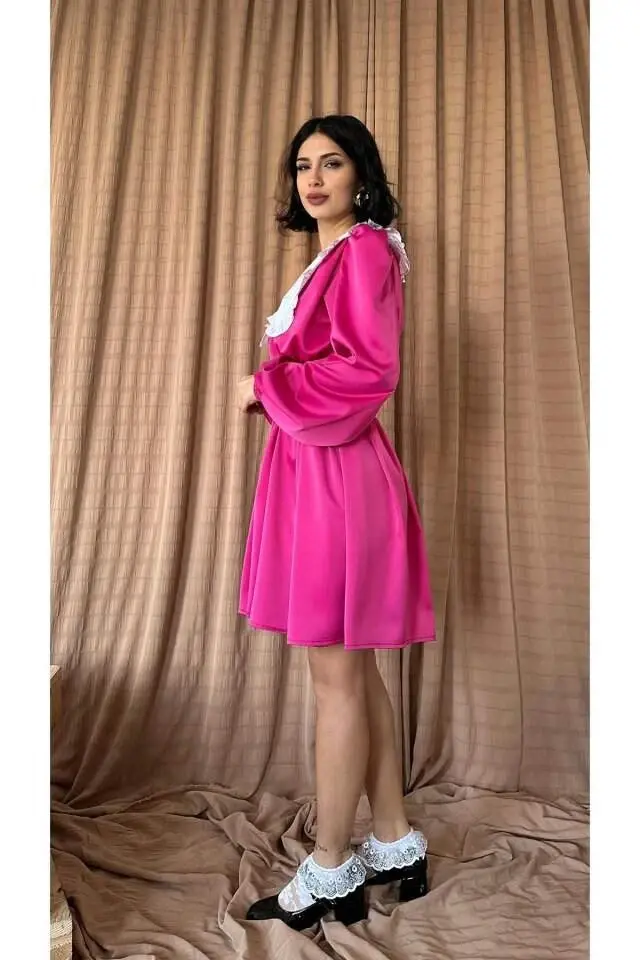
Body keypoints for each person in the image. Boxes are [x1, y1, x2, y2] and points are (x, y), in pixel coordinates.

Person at [237, 114, 436, 931]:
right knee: (355, 671)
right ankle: (394, 841)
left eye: (331, 163)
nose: (313, 179)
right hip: (317, 469)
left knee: (335, 680)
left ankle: (329, 868)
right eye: (302, 165)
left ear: (362, 175)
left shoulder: (363, 250)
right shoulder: (339, 256)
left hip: (336, 476)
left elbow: (369, 369)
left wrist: (264, 387)